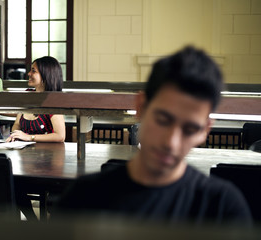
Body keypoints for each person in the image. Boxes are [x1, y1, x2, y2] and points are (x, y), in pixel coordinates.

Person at [54, 46, 253, 227]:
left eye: (189, 129)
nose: (171, 143)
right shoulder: (83, 199)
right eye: (163, 120)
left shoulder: (222, 207)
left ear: (205, 130)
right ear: (140, 106)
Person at [6, 56, 65, 143]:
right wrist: (15, 135)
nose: (29, 73)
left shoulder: (53, 100)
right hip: (25, 152)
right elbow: (17, 124)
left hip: (48, 153)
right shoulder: (27, 94)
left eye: (33, 71)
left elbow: (60, 136)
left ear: (46, 75)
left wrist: (29, 137)